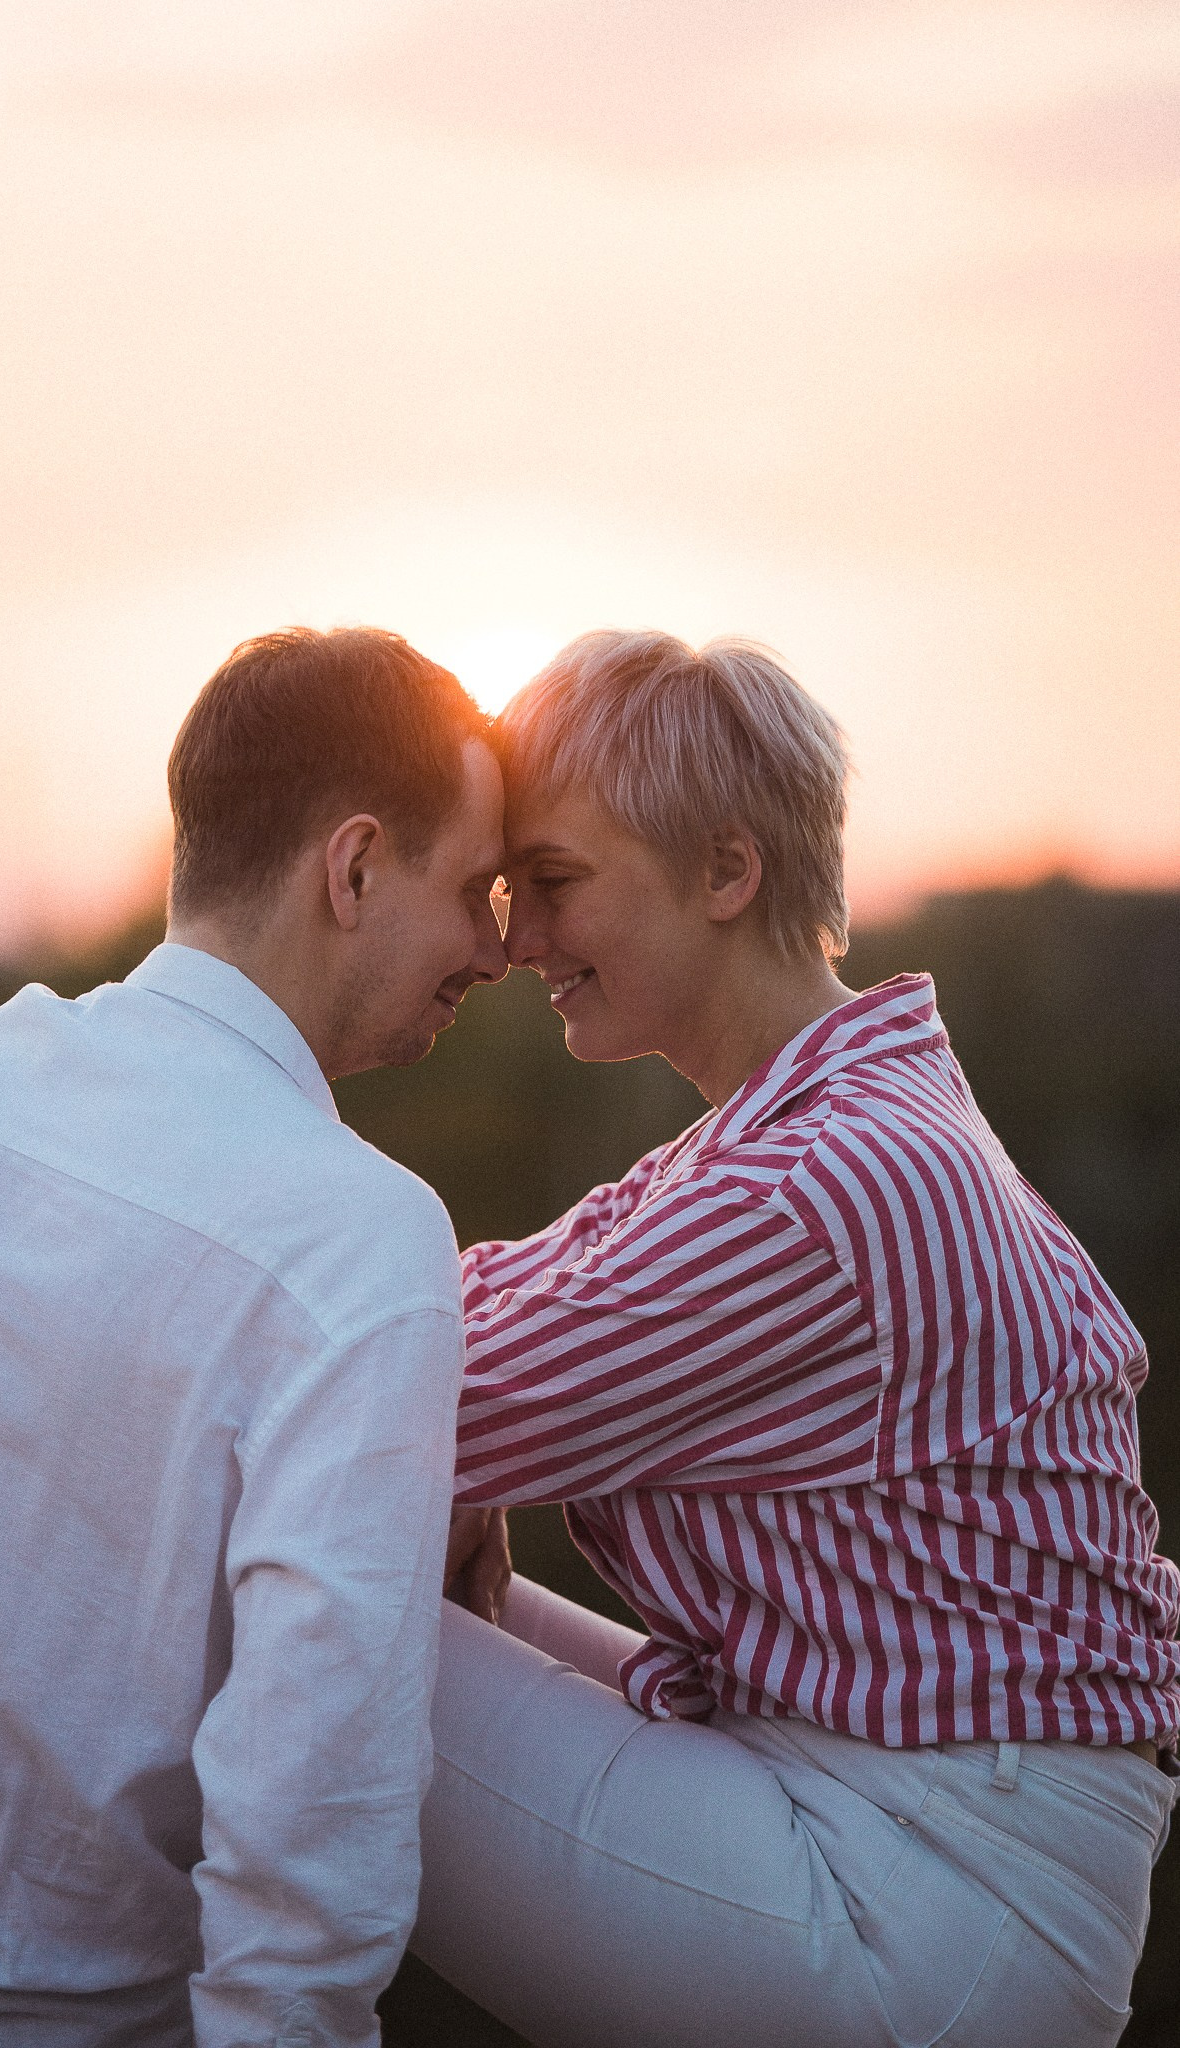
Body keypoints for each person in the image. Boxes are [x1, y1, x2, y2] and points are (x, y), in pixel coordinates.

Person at [426, 631, 1180, 2048]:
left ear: (725, 870)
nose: (516, 938)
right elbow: (491, 1311)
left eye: (557, 883)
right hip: (926, 1819)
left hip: (939, 1885)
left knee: (277, 1605)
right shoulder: (812, 1126)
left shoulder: (823, 1187)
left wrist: (453, 1458)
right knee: (313, 1565)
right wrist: (453, 1460)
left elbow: (400, 1387)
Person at [0, 627, 507, 2047]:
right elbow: (313, 1835)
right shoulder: (359, 1235)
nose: (498, 949)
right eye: (475, 892)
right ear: (355, 866)